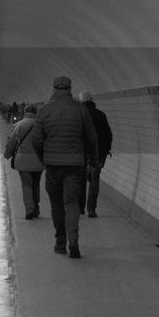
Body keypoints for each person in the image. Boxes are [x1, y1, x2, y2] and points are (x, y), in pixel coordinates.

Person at [32, 75, 97, 258]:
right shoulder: (81, 110)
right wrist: (93, 159)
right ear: (70, 88)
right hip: (75, 165)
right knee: (72, 202)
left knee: (56, 203)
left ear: (53, 88)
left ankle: (60, 241)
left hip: (53, 166)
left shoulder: (45, 111)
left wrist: (43, 158)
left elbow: (36, 139)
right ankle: (74, 240)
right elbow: (91, 138)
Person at [3, 103, 43, 219]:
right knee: (36, 184)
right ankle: (36, 207)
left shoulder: (19, 125)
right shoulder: (41, 125)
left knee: (26, 185)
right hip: (38, 160)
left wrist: (7, 154)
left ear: (25, 113)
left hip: (23, 161)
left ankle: (29, 209)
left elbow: (12, 142)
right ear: (36, 113)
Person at [78, 91, 113, 218]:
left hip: (81, 153)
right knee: (94, 180)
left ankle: (80, 208)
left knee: (80, 180)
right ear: (91, 100)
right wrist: (105, 150)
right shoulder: (100, 115)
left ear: (80, 102)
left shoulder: (77, 115)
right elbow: (108, 135)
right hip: (98, 154)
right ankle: (91, 209)